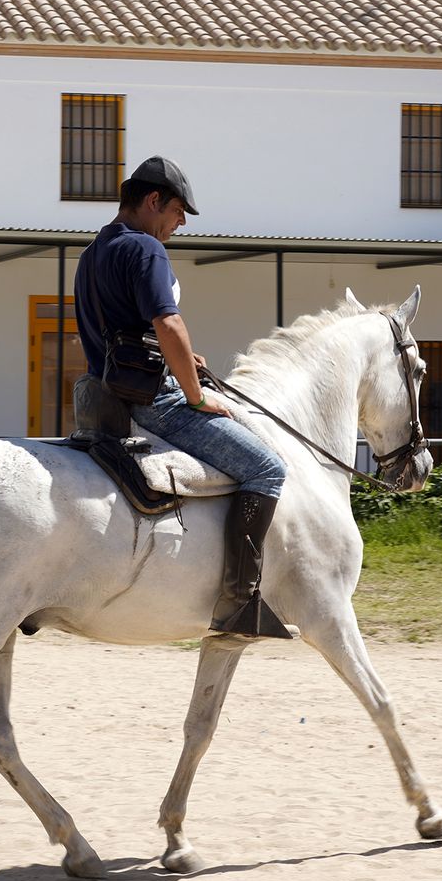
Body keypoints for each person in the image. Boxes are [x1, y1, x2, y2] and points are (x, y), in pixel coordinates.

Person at [73, 156, 293, 640]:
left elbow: (122, 333)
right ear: (152, 202)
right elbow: (167, 323)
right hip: (155, 402)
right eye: (177, 211)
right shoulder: (146, 249)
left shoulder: (92, 253)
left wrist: (183, 358)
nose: (181, 223)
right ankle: (240, 602)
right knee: (267, 468)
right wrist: (194, 395)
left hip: (104, 401)